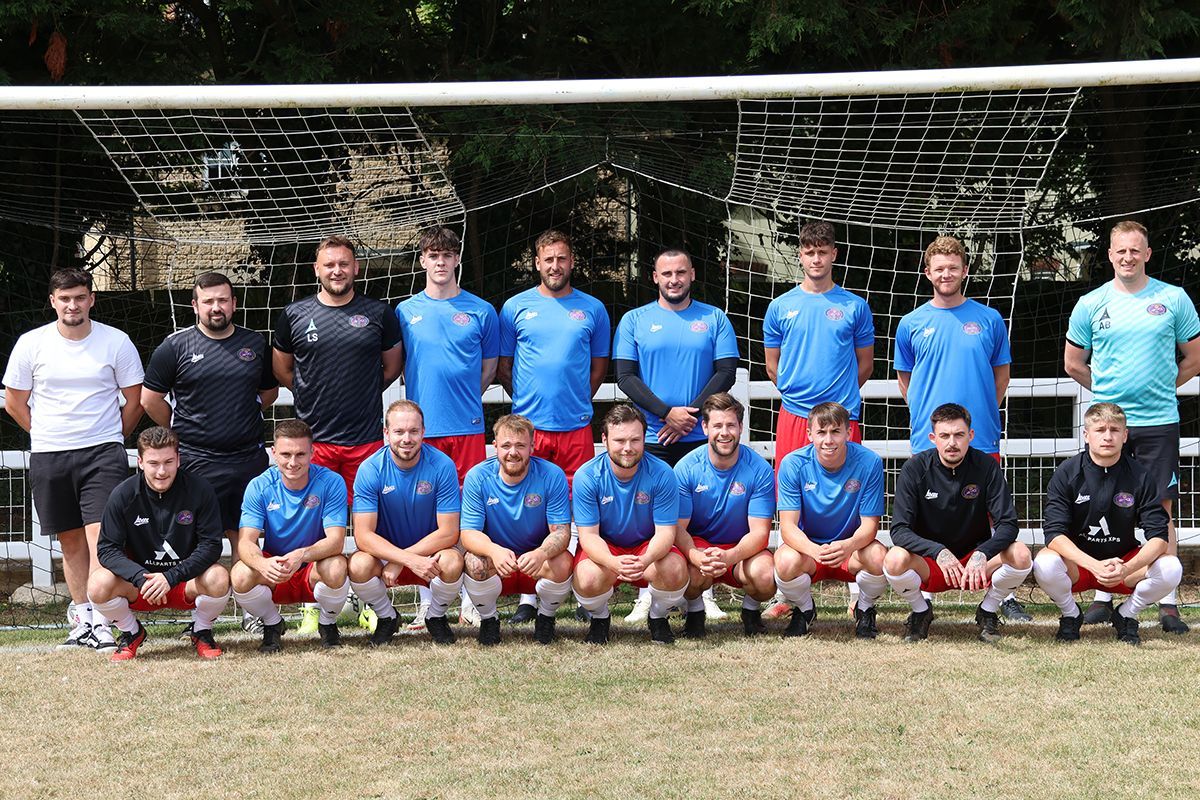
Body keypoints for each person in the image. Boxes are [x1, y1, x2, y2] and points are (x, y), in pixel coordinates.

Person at [1064, 220, 1200, 633]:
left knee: (1161, 508)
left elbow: (1194, 358)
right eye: (1120, 250)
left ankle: (1168, 602)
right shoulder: (1091, 303)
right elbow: (1073, 363)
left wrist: (1160, 387)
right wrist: (1109, 398)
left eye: (1135, 250)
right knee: (1103, 504)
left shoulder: (1173, 298)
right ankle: (1105, 595)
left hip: (1159, 422)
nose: (1128, 257)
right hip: (1109, 424)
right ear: (1110, 255)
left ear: (1147, 254)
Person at [3, 267, 143, 650]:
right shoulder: (31, 344)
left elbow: (135, 400)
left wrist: (113, 436)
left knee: (101, 538)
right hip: (50, 455)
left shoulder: (116, 341)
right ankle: (82, 620)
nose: (73, 305)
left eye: (80, 297)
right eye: (65, 298)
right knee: (69, 540)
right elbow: (14, 402)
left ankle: (103, 619)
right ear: (53, 301)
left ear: (91, 299)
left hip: (102, 454)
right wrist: (46, 434)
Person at [894, 235, 1029, 622]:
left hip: (980, 434)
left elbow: (1001, 376)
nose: (946, 274)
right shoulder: (911, 323)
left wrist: (980, 413)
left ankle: (1001, 595)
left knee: (992, 517)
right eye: (939, 268)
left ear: (965, 270)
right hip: (929, 438)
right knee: (926, 514)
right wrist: (928, 416)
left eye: (953, 267)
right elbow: (906, 381)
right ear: (927, 273)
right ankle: (925, 593)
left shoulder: (988, 319)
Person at [273, 235, 402, 633]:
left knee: (369, 529)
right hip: (314, 445)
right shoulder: (295, 314)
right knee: (313, 529)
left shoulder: (378, 313)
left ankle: (370, 603)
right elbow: (283, 370)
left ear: (356, 268)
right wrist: (310, 395)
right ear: (317, 269)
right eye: (329, 264)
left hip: (365, 441)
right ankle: (313, 605)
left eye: (344, 263)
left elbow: (391, 367)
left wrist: (361, 394)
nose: (337, 271)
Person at [141, 272, 278, 634]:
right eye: (208, 301)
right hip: (198, 460)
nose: (216, 307)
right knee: (199, 539)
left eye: (223, 300)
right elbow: (150, 399)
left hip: (248, 458)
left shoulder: (254, 343)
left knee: (246, 536)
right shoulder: (175, 346)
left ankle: (251, 610)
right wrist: (180, 430)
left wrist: (238, 417)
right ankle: (203, 618)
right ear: (195, 305)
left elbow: (268, 393)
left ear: (234, 303)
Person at [614, 248, 739, 625]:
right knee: (648, 517)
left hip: (700, 436)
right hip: (652, 436)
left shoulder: (714, 318)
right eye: (666, 273)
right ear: (654, 277)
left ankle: (702, 593)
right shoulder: (635, 320)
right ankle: (646, 592)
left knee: (698, 516)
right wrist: (667, 413)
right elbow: (625, 376)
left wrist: (690, 414)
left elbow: (726, 372)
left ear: (692, 274)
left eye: (680, 272)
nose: (674, 279)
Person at [761, 221, 873, 621]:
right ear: (800, 255)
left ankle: (857, 590)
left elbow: (864, 365)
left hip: (842, 417)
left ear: (834, 255)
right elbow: (772, 367)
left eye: (823, 251)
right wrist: (803, 400)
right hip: (795, 416)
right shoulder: (781, 306)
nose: (816, 258)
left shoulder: (854, 306)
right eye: (809, 251)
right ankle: (790, 593)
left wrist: (833, 409)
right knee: (793, 499)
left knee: (849, 498)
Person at [498, 229, 610, 622]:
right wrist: (529, 408)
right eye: (548, 259)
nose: (555, 266)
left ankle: (583, 591)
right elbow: (505, 367)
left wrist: (574, 401)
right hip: (530, 431)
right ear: (537, 263)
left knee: (581, 509)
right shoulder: (515, 307)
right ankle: (529, 597)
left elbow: (598, 368)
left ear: (572, 262)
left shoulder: (593, 309)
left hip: (575, 428)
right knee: (532, 510)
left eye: (562, 258)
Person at [396, 226, 498, 632]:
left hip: (467, 428)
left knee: (471, 516)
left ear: (457, 259)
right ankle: (429, 604)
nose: (440, 262)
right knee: (428, 519)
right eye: (433, 255)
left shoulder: (481, 310)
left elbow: (488, 370)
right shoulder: (405, 312)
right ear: (423, 260)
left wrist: (462, 401)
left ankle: (473, 602)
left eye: (447, 254)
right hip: (422, 433)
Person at [1033, 403, 1182, 646]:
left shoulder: (1141, 476)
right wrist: (1093, 565)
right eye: (1100, 429)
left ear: (1125, 435)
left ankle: (1126, 614)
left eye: (1114, 430)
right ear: (1086, 435)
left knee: (1171, 567)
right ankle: (1071, 614)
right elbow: (1053, 534)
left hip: (1122, 566)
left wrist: (1126, 567)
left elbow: (1159, 537)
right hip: (1079, 566)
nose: (1108, 436)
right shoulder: (1067, 472)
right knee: (1044, 562)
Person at [883, 403, 1031, 643]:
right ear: (933, 438)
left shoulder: (986, 466)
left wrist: (983, 553)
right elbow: (899, 530)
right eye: (944, 436)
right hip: (932, 561)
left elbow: (1008, 523)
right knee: (894, 559)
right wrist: (937, 551)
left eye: (959, 435)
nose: (952, 443)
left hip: (976, 562)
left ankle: (988, 610)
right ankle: (921, 611)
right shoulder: (915, 469)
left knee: (1021, 554)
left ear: (970, 435)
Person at [88, 427, 229, 661]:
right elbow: (107, 549)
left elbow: (211, 545)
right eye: (153, 463)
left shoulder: (200, 490)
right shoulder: (123, 495)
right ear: (140, 462)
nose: (162, 471)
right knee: (97, 584)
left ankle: (201, 630)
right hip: (142, 586)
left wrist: (171, 577)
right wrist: (141, 578)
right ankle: (131, 632)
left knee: (219, 577)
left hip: (184, 582)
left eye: (168, 462)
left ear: (178, 460)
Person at [348, 400, 464, 647]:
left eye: (413, 431)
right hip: (385, 557)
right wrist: (405, 559)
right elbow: (363, 536)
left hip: (430, 555)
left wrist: (403, 560)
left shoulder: (442, 465)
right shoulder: (370, 469)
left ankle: (435, 616)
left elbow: (449, 532)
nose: (407, 439)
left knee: (453, 561)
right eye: (399, 431)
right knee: (358, 565)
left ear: (423, 432)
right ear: (386, 433)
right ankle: (387, 617)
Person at [231, 419, 351, 652]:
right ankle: (272, 623)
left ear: (312, 453)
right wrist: (263, 564)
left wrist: (302, 555)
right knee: (240, 574)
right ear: (274, 453)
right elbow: (245, 542)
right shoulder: (259, 486)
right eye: (286, 454)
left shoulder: (331, 482)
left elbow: (336, 541)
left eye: (300, 454)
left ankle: (327, 623)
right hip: (275, 567)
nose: (293, 462)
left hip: (312, 567)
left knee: (337, 567)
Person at [571, 403, 686, 644]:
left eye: (635, 440)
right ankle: (600, 618)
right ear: (604, 440)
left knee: (675, 569)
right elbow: (589, 536)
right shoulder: (587, 475)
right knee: (587, 578)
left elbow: (666, 532)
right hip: (607, 547)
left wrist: (645, 560)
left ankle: (658, 617)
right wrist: (612, 561)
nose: (628, 448)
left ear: (644, 439)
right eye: (620, 440)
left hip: (646, 547)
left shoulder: (662, 473)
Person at [773, 401, 888, 639]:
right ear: (809, 434)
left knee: (879, 557)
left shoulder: (870, 462)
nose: (828, 440)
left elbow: (870, 526)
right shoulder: (793, 464)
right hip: (809, 551)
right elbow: (788, 527)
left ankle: (864, 608)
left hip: (851, 550)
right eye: (821, 432)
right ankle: (805, 609)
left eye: (836, 431)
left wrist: (847, 546)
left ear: (848, 432)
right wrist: (814, 551)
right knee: (784, 561)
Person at [460, 414, 573, 646]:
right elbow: (468, 534)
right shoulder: (477, 477)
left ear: (532, 446)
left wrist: (541, 553)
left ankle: (545, 618)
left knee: (563, 562)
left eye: (520, 445)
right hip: (499, 563)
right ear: (495, 447)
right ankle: (489, 620)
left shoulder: (552, 475)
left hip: (536, 562)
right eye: (506, 445)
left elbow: (561, 532)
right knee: (473, 562)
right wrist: (494, 551)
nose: (513, 452)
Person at [673, 393, 775, 639]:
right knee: (685, 572)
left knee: (765, 576)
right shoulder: (686, 468)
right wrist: (696, 556)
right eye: (717, 425)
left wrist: (730, 556)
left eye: (731, 425)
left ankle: (750, 611)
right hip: (701, 547)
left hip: (742, 550)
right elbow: (677, 529)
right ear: (705, 427)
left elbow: (760, 533)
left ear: (741, 427)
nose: (724, 433)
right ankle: (695, 612)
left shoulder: (760, 469)